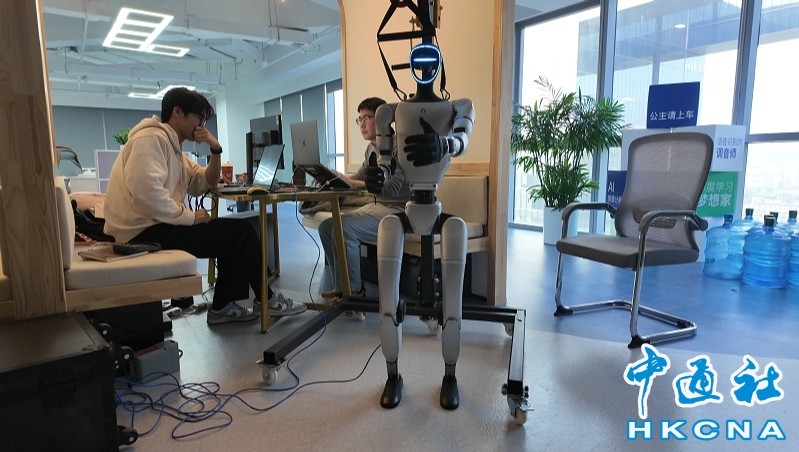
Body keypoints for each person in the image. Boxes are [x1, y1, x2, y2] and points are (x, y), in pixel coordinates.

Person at [103, 87, 306, 325]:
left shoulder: (172, 147)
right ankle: (263, 299)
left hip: (154, 227)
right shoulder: (150, 139)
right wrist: (190, 217)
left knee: (234, 233)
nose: (201, 125)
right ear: (177, 112)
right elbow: (147, 194)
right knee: (240, 233)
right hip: (141, 233)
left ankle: (225, 305)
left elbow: (205, 181)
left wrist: (215, 148)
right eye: (198, 118)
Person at [318, 97, 410, 302]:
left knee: (344, 229)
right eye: (359, 119)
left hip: (398, 210)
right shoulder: (371, 149)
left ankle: (355, 292)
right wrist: (333, 176)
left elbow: (390, 188)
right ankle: (341, 287)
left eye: (367, 118)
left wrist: (353, 183)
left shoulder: (398, 146)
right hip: (376, 207)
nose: (362, 124)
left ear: (384, 118)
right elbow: (358, 178)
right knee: (326, 227)